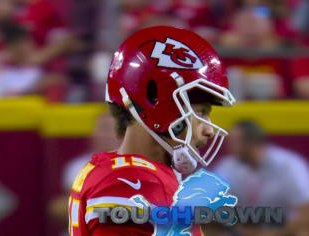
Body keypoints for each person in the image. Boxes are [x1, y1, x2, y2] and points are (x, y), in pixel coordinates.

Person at [68, 26, 236, 236]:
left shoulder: (115, 170)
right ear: (155, 103)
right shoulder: (134, 185)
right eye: (200, 112)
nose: (209, 130)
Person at [213, 121, 309, 236]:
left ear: (252, 142)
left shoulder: (291, 165)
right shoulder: (228, 166)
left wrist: (271, 234)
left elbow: (308, 215)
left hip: (283, 231)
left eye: (234, 142)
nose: (229, 147)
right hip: (243, 230)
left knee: (307, 232)